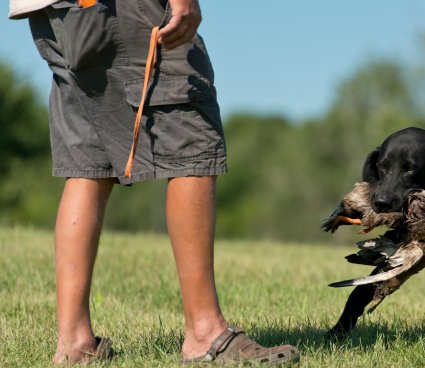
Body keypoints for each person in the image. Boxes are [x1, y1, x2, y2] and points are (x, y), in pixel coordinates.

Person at [9, 0, 300, 365]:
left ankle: (74, 344)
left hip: (52, 9)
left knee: (89, 162)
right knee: (192, 135)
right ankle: (205, 333)